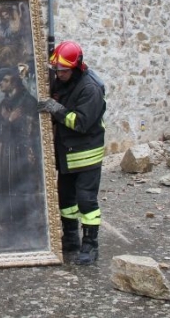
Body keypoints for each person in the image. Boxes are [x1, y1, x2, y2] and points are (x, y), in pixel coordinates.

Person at [38, 40, 106, 265]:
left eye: (64, 70)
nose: (59, 74)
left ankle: (90, 244)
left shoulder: (90, 89)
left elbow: (81, 123)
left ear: (76, 67)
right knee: (66, 200)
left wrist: (56, 109)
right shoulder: (61, 82)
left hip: (86, 155)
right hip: (66, 155)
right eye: (57, 69)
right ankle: (70, 239)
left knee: (86, 200)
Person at [0, 72, 46, 250]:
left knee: (25, 191)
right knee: (8, 191)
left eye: (5, 79)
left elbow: (32, 132)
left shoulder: (27, 102)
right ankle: (11, 234)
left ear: (14, 82)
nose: (1, 83)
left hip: (25, 154)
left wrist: (10, 123)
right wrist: (8, 121)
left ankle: (28, 235)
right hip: (8, 154)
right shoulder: (4, 104)